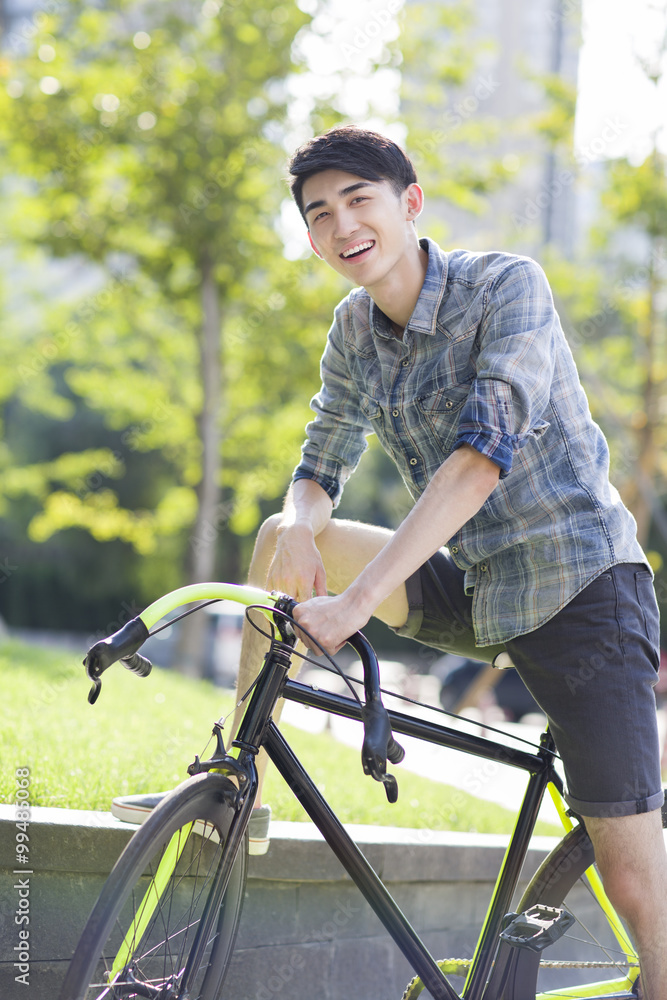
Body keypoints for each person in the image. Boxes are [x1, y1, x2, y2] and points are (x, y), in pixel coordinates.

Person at [116, 125, 667, 994]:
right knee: (270, 536)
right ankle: (239, 783)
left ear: (409, 204)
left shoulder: (505, 286)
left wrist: (358, 599)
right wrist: (301, 522)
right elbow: (319, 463)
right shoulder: (351, 330)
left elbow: (481, 459)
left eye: (359, 200)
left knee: (634, 884)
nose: (342, 227)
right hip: (479, 586)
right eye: (319, 214)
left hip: (584, 592)